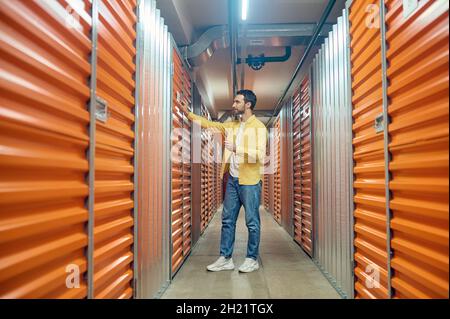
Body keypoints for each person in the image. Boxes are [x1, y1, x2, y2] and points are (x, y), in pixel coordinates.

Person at [179, 89, 268, 273]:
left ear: (248, 104)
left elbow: (260, 155)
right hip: (233, 181)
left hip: (250, 182)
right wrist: (187, 113)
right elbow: (208, 123)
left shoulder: (259, 127)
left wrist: (237, 148)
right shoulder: (232, 125)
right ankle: (225, 258)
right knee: (227, 220)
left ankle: (251, 259)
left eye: (237, 102)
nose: (233, 105)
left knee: (252, 222)